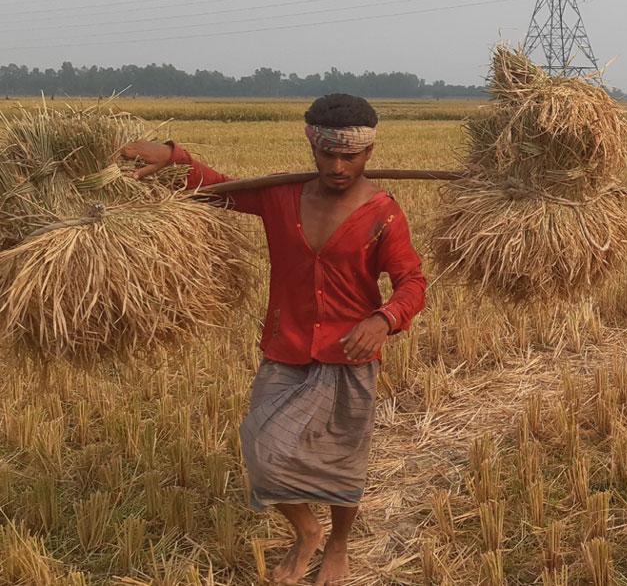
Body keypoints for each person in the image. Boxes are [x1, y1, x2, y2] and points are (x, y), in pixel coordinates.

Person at [121, 94, 427, 586]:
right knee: (263, 450)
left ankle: (339, 542)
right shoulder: (281, 196)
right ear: (312, 146)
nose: (338, 166)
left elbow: (412, 281)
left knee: (341, 459)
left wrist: (384, 319)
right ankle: (306, 531)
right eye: (328, 154)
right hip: (285, 346)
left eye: (351, 156)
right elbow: (218, 189)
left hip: (348, 355)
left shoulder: (383, 214)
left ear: (369, 152)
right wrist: (174, 158)